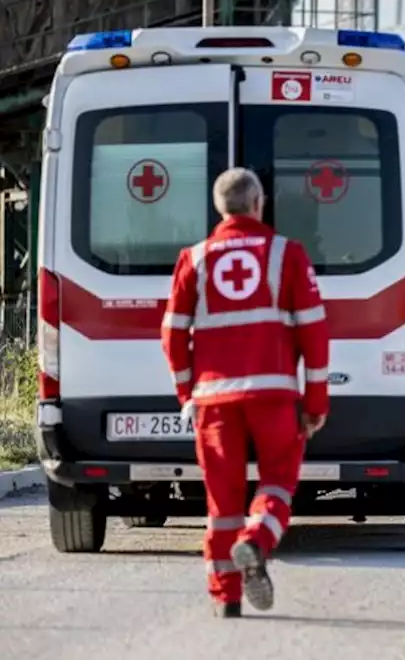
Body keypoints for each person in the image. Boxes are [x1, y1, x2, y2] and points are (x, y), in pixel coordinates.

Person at [161, 167, 330, 618]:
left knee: (222, 504)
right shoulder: (286, 254)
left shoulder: (194, 258)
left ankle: (226, 598)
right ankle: (256, 541)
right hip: (273, 397)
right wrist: (315, 403)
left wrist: (186, 394)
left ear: (220, 208)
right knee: (277, 482)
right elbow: (314, 333)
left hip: (214, 401)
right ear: (259, 204)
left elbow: (173, 335)